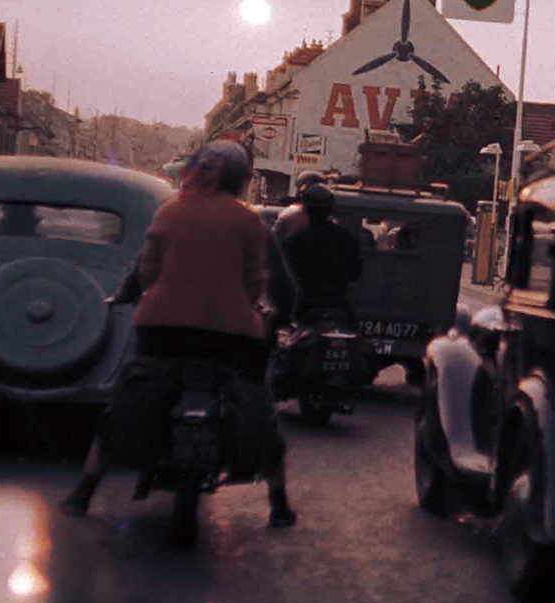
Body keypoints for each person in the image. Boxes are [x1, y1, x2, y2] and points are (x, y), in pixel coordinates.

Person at [61, 141, 297, 529]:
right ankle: (279, 503)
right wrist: (258, 309)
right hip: (232, 336)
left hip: (162, 330)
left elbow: (146, 269)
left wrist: (128, 295)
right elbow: (257, 280)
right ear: (241, 180)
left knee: (124, 401)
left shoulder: (171, 212)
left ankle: (83, 493)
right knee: (259, 405)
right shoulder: (249, 220)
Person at [274, 172, 364, 319]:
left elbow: (285, 274)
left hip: (305, 305)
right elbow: (355, 273)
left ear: (307, 208)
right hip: (339, 305)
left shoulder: (295, 241)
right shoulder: (349, 240)